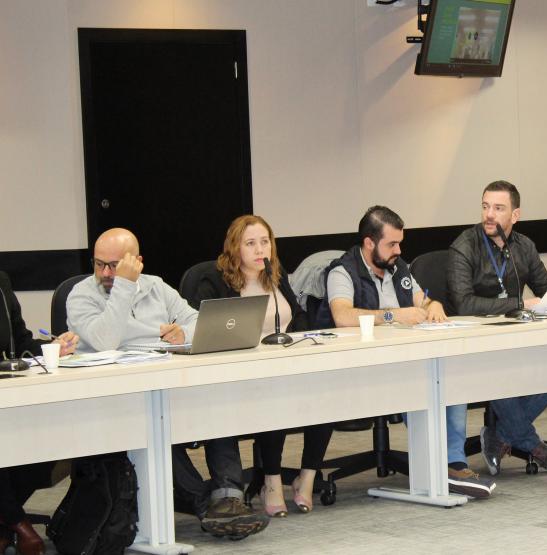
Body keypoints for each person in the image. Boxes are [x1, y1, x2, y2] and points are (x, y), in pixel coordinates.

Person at [66, 228, 269, 539]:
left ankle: (229, 498)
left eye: (114, 265)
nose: (105, 273)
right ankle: (207, 506)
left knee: (217, 404)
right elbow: (106, 340)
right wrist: (123, 285)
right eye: (99, 264)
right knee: (156, 426)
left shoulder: (156, 287)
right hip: (121, 398)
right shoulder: (82, 295)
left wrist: (183, 333)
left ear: (137, 262)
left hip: (167, 378)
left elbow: (197, 319)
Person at [323, 206, 496, 499]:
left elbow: (422, 300)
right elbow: (342, 316)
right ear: (369, 243)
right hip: (365, 365)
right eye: (391, 244)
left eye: (399, 243)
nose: (398, 250)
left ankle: (454, 463)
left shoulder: (398, 268)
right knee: (423, 381)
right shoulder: (342, 272)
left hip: (406, 357)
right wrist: (394, 315)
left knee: (450, 374)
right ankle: (439, 464)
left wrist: (434, 305)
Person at [190, 215, 333, 516]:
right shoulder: (215, 281)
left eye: (265, 242)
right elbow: (204, 329)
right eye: (250, 243)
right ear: (235, 247)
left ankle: (307, 476)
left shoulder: (275, 275)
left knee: (325, 394)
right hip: (238, 374)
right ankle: (271, 480)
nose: (260, 250)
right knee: (275, 395)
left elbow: (298, 316)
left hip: (284, 364)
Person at [448, 180, 547, 476]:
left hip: (515, 339)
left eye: (498, 208)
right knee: (498, 372)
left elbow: (545, 288)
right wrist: (519, 303)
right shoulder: (464, 246)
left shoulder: (523, 246)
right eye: (485, 206)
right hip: (474, 344)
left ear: (515, 215)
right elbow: (464, 304)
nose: (489, 214)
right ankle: (531, 444)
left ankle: (501, 436)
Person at [0, 272, 78, 555]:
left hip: (7, 394)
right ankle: (19, 524)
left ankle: (3, 525)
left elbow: (20, 342)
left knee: (46, 439)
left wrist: (51, 348)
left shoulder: (1, 282)